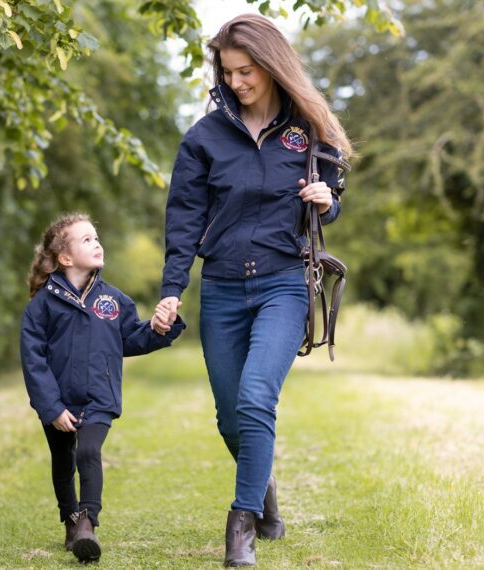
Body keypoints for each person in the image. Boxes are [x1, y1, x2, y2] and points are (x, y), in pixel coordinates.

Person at [151, 14, 353, 567]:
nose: (235, 81)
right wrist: (172, 288)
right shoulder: (204, 138)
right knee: (229, 417)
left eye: (246, 71)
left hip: (284, 283)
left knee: (256, 396)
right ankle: (263, 492)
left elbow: (333, 201)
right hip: (220, 289)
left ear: (271, 65)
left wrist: (326, 202)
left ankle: (241, 526)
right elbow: (183, 221)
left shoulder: (311, 131)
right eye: (228, 71)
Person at [20, 212, 185, 563]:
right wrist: (51, 408)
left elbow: (132, 339)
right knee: (63, 461)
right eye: (86, 240)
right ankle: (70, 519)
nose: (97, 244)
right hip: (59, 401)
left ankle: (87, 524)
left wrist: (159, 328)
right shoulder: (42, 306)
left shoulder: (113, 300)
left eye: (96, 238)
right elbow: (34, 362)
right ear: (65, 258)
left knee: (88, 452)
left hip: (99, 397)